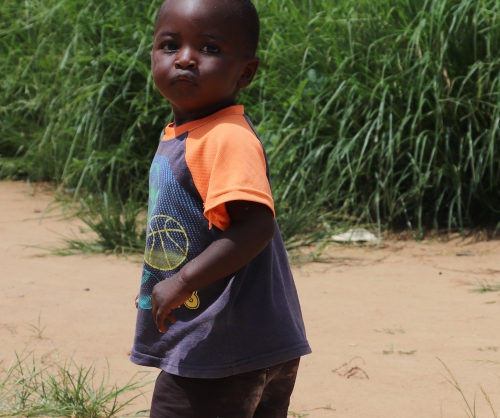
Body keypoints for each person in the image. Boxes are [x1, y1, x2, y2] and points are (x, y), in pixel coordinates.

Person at [130, 0, 311, 417]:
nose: (186, 59)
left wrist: (183, 281)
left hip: (219, 347)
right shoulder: (190, 133)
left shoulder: (224, 137)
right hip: (245, 341)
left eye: (209, 49)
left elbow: (254, 227)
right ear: (153, 55)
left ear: (246, 72)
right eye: (170, 45)